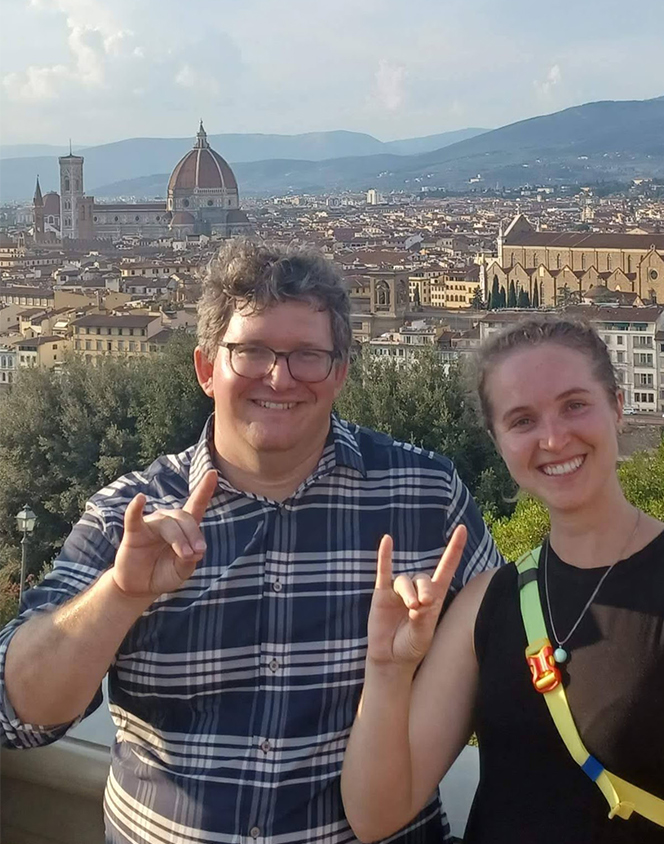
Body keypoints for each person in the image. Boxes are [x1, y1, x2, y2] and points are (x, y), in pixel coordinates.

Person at [0, 239, 501, 843]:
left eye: (307, 356)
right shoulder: (129, 516)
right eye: (252, 352)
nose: (280, 377)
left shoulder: (426, 498)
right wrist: (120, 595)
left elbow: (509, 659)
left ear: (340, 372)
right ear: (206, 369)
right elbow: (17, 715)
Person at [341, 315, 664, 844]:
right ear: (498, 442)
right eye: (521, 421)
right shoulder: (485, 605)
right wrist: (386, 668)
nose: (553, 437)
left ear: (617, 406)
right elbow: (375, 814)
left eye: (574, 405)